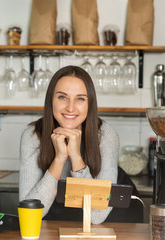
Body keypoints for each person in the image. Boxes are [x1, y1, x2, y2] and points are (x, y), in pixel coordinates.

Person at [19, 65, 119, 224]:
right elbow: (27, 214)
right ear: (51, 100)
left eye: (80, 98)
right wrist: (59, 159)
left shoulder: (106, 136)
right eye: (62, 97)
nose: (70, 108)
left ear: (90, 103)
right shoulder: (32, 136)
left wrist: (76, 158)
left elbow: (97, 216)